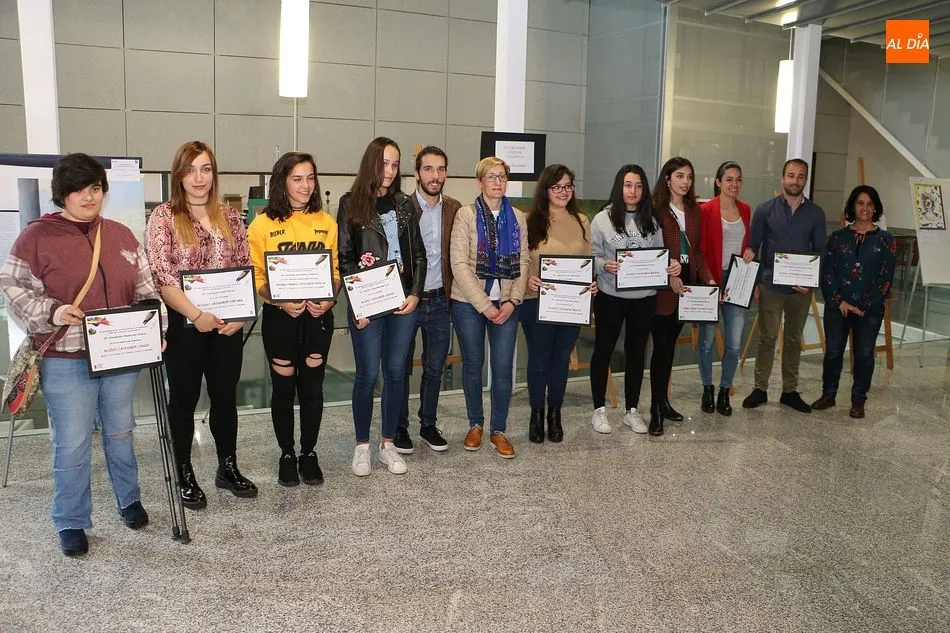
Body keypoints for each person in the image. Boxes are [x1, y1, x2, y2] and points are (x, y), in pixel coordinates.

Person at [0, 153, 164, 556]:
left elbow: (147, 290)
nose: (87, 197)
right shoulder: (37, 236)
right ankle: (70, 519)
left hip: (120, 356)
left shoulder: (121, 234)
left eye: (94, 188)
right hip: (66, 358)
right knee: (72, 443)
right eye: (77, 190)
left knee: (121, 433)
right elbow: (12, 284)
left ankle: (129, 498)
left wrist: (155, 329)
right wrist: (52, 311)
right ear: (62, 195)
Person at [145, 141, 256, 509]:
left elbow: (245, 267)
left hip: (227, 326)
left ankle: (228, 467)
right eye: (190, 170)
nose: (198, 178)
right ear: (179, 175)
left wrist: (240, 315)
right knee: (184, 400)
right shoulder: (163, 217)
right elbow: (162, 277)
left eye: (205, 169)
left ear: (214, 173)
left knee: (225, 397)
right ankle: (184, 472)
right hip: (184, 325)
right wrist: (196, 315)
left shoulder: (231, 217)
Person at [247, 152, 339, 486]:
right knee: (284, 390)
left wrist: (330, 298)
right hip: (280, 318)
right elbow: (256, 276)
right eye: (297, 178)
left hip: (317, 318)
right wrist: (278, 300)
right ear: (282, 181)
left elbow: (335, 270)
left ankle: (309, 453)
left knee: (312, 389)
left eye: (310, 178)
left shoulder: (327, 222)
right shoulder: (261, 225)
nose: (305, 185)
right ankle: (287, 454)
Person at [338, 137, 425, 476]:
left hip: (403, 302)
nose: (389, 171)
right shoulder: (350, 204)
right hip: (369, 303)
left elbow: (419, 255)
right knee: (367, 374)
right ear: (370, 163)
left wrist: (415, 294)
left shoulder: (404, 204)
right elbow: (345, 259)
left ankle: (388, 444)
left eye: (395, 164)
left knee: (395, 373)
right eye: (384, 163)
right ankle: (362, 446)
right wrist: (358, 306)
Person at [589, 165, 680, 435]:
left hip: (644, 297)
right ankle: (599, 409)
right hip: (610, 296)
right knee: (603, 350)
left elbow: (660, 254)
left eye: (639, 186)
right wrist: (604, 265)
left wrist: (671, 266)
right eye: (628, 185)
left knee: (637, 353)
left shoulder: (651, 219)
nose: (633, 191)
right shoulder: (602, 219)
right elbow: (591, 256)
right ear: (620, 187)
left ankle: (632, 410)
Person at [450, 157, 529, 458]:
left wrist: (512, 301)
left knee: (503, 367)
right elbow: (459, 264)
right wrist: (485, 306)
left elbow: (523, 261)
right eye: (491, 177)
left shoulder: (518, 217)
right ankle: (475, 424)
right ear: (480, 182)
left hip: (507, 303)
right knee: (473, 364)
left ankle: (498, 430)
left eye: (502, 177)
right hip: (469, 303)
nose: (497, 182)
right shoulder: (465, 214)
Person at [742, 159, 827, 413]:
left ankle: (789, 391)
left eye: (800, 176)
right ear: (782, 178)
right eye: (791, 175)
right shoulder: (764, 210)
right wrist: (756, 282)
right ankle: (760, 388)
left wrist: (811, 282)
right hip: (771, 286)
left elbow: (820, 251)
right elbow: (753, 247)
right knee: (767, 338)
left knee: (792, 340)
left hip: (800, 290)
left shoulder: (816, 213)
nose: (795, 181)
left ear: (805, 180)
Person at [393, 146, 461, 455]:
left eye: (441, 169)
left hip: (440, 302)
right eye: (429, 169)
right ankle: (399, 426)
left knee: (435, 366)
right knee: (401, 366)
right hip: (408, 302)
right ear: (417, 173)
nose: (435, 175)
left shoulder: (455, 209)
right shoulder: (401, 208)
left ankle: (428, 424)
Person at [521, 164, 594, 443]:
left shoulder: (582, 221)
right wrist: (527, 280)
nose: (563, 192)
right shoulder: (529, 221)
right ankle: (536, 414)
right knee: (539, 360)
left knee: (561, 359)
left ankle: (555, 414)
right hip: (536, 303)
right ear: (545, 189)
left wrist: (592, 283)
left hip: (571, 305)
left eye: (568, 186)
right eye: (557, 187)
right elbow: (520, 261)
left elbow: (588, 261)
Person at [812, 186, 896, 418]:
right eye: (860, 203)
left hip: (868, 311)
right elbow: (827, 273)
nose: (865, 208)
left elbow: (886, 279)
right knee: (833, 352)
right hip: (838, 307)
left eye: (869, 204)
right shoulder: (838, 238)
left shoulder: (886, 241)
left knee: (864, 355)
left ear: (875, 208)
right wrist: (839, 301)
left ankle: (858, 400)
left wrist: (864, 306)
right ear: (852, 206)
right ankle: (828, 395)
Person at [649, 157, 712, 436]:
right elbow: (651, 250)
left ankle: (663, 402)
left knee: (670, 347)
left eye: (689, 176)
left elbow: (696, 249)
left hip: (687, 287)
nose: (685, 182)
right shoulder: (655, 209)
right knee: (662, 349)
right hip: (663, 289)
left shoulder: (694, 211)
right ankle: (655, 409)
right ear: (667, 179)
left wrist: (707, 278)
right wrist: (668, 277)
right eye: (679, 176)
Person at [697, 161, 752, 417]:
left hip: (738, 280)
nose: (734, 184)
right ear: (718, 182)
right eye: (729, 179)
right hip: (712, 279)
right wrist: (709, 280)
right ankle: (707, 389)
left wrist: (751, 250)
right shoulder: (706, 210)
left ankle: (723, 391)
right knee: (707, 342)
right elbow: (699, 250)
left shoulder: (746, 209)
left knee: (734, 344)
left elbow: (749, 243)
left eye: (738, 179)